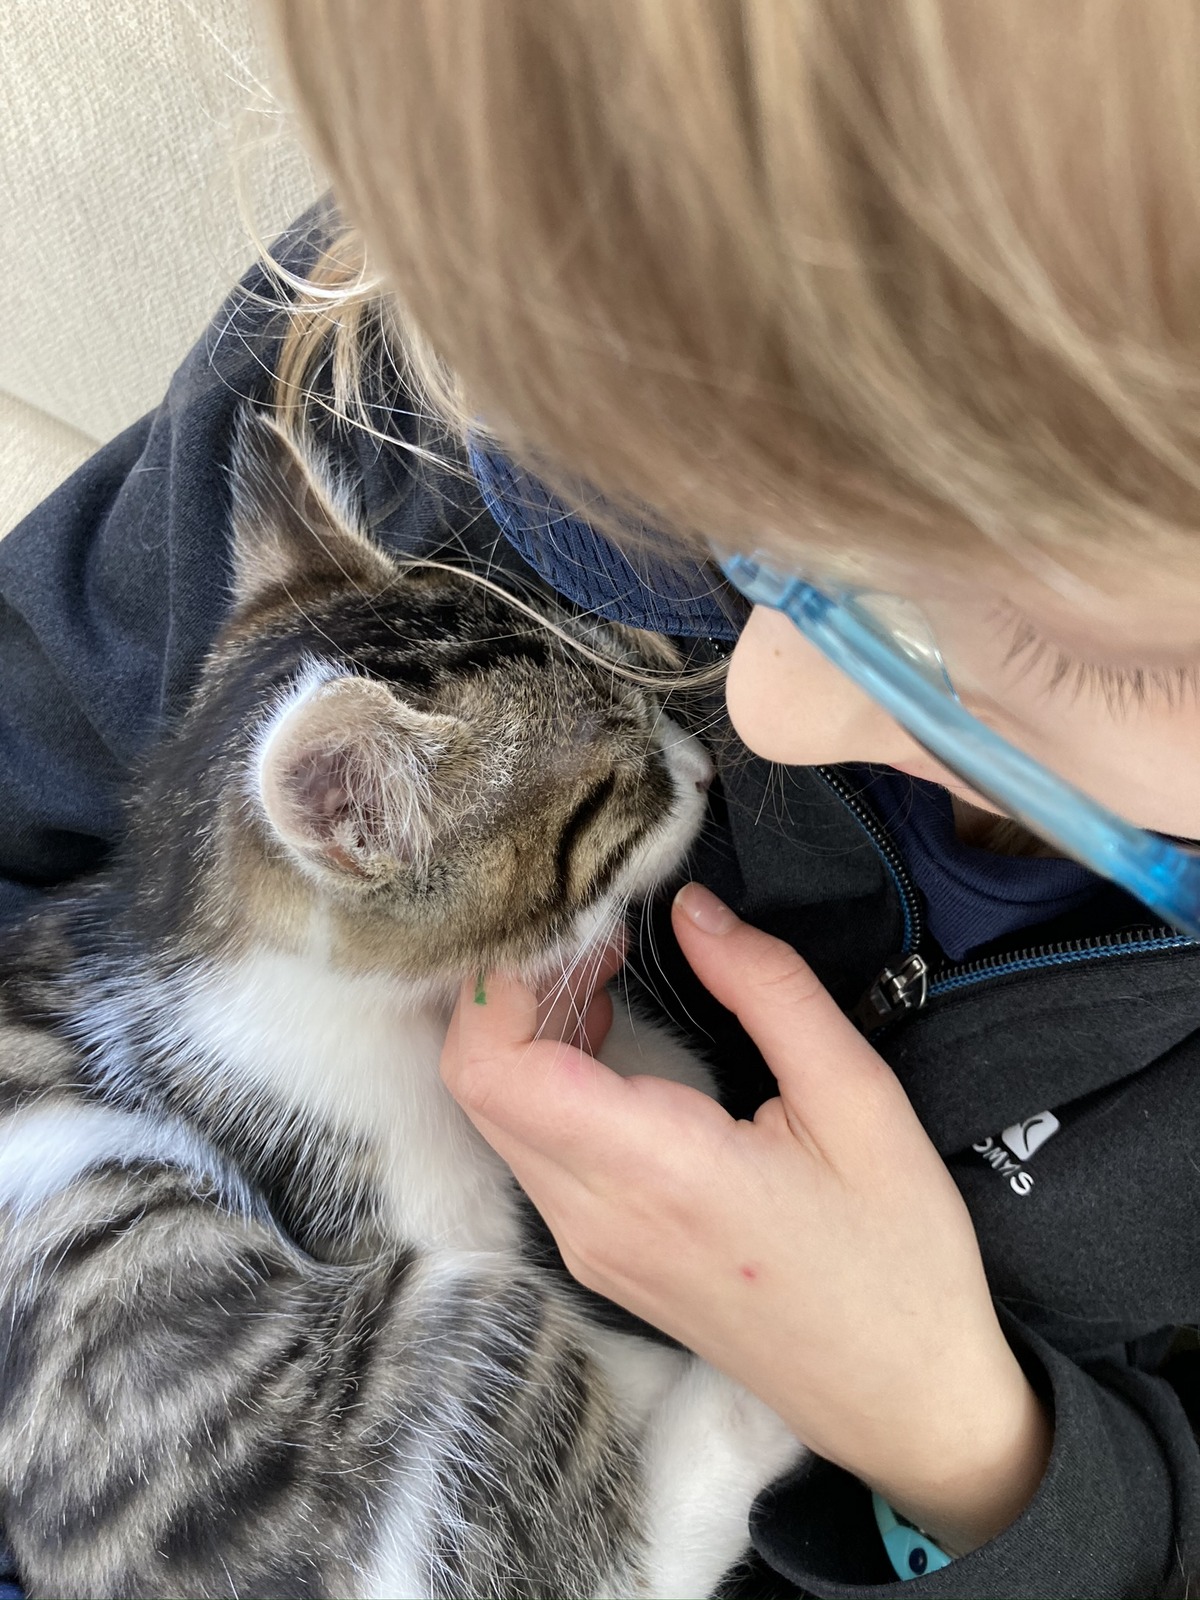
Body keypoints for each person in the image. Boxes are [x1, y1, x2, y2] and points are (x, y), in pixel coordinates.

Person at [2, 1, 1199, 1593]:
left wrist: (959, 1439)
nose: (759, 710)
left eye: (1067, 646)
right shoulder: (405, 381)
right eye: (697, 515)